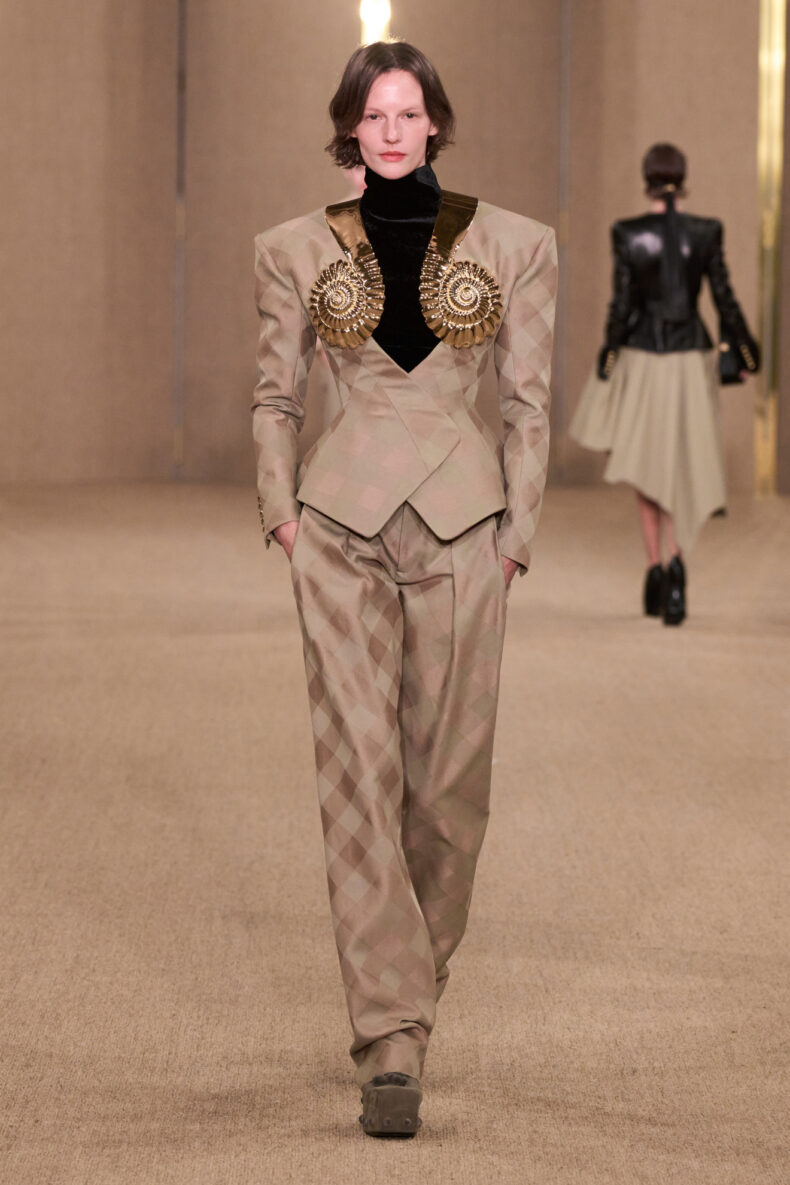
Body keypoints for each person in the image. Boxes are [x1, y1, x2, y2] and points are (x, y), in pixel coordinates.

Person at [251, 40, 557, 1134]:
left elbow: (527, 403)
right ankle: (391, 1034)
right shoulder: (291, 247)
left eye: (407, 112)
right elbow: (276, 396)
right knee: (357, 769)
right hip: (337, 526)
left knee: (448, 786)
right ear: (351, 127)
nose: (390, 130)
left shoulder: (516, 243)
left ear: (435, 123)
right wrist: (282, 511)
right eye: (372, 114)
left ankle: (412, 977)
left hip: (469, 529)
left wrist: (518, 534)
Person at [570, 143, 759, 625]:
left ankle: (655, 570)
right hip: (691, 359)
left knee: (645, 463)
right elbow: (724, 296)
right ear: (683, 177)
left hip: (643, 357)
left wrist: (609, 353)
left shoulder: (628, 233)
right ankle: (676, 570)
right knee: (681, 464)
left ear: (647, 179)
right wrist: (745, 347)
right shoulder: (706, 231)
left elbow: (622, 304)